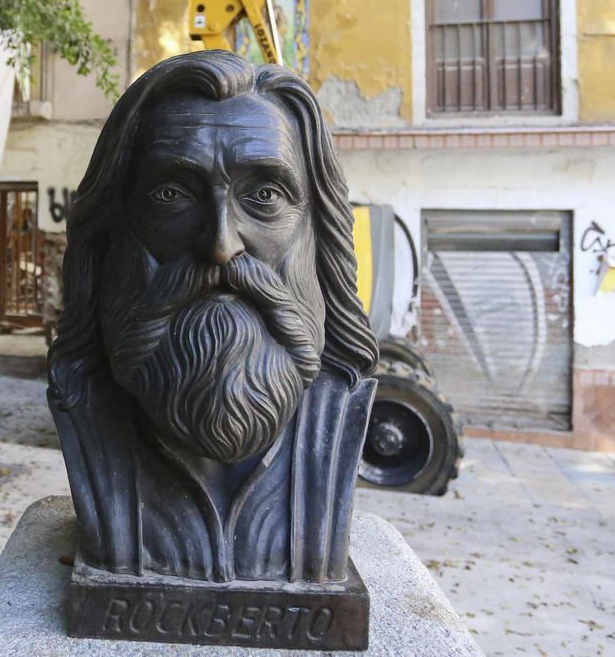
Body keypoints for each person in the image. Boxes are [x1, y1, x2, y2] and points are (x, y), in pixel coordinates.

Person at [47, 50, 378, 584]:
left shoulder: (335, 410)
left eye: (265, 195)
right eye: (172, 194)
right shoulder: (86, 389)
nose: (221, 245)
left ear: (322, 239)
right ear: (107, 241)